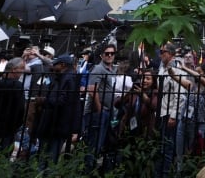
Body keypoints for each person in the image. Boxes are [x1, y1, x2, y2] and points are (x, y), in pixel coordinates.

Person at [34, 54, 82, 169]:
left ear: (63, 65)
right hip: (53, 125)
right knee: (47, 158)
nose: (53, 66)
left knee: (49, 159)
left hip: (57, 125)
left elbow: (62, 101)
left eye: (55, 64)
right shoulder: (62, 77)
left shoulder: (68, 79)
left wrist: (44, 101)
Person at [84, 43, 118, 171]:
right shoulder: (98, 69)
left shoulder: (112, 70)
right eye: (107, 53)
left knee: (102, 144)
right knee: (94, 145)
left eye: (112, 53)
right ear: (101, 55)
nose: (109, 55)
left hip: (107, 111)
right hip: (97, 112)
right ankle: (88, 171)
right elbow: (92, 90)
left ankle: (96, 170)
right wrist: (100, 109)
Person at [156, 42, 187, 177]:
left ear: (170, 54)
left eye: (163, 52)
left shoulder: (177, 68)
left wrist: (173, 115)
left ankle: (166, 174)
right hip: (162, 111)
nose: (160, 54)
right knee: (162, 147)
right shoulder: (162, 67)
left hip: (169, 113)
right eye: (160, 51)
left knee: (168, 147)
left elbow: (179, 95)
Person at [117, 68, 158, 139]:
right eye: (143, 78)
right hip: (129, 126)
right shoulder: (135, 92)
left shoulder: (155, 93)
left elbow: (154, 106)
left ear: (153, 82)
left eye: (148, 79)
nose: (144, 80)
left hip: (145, 128)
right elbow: (117, 104)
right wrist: (130, 92)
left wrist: (143, 96)